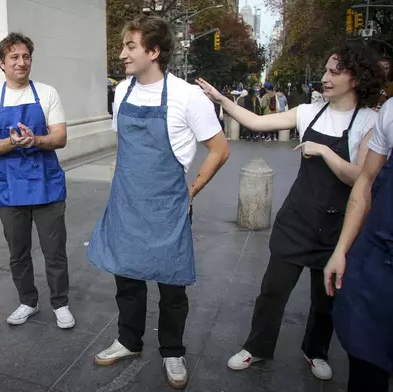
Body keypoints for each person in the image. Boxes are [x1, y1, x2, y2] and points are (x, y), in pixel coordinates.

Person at [196, 43, 384, 381]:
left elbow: (361, 176)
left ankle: (316, 352)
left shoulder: (371, 120)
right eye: (325, 70)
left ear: (355, 79)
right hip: (297, 219)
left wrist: (325, 151)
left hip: (337, 227)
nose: (325, 78)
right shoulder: (308, 111)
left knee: (325, 299)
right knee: (272, 290)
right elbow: (256, 121)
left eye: (333, 72)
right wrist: (221, 100)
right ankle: (257, 347)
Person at [88, 15, 229, 389]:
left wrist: (193, 189)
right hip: (127, 203)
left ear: (153, 51)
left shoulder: (187, 96)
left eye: (130, 46)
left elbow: (219, 148)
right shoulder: (122, 92)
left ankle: (173, 351)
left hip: (168, 207)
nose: (122, 54)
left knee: (172, 286)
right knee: (127, 281)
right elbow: (124, 145)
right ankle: (129, 341)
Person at [0, 33, 75, 329]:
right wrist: (13, 142)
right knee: (18, 252)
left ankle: (60, 303)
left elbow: (60, 138)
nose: (21, 62)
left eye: (26, 57)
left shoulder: (47, 93)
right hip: (10, 187)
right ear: (1, 63)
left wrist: (36, 139)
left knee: (54, 251)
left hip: (48, 185)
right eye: (14, 57)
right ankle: (27, 301)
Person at [323, 94, 393, 392]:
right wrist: (341, 250)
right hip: (378, 260)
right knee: (367, 358)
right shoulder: (391, 111)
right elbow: (365, 182)